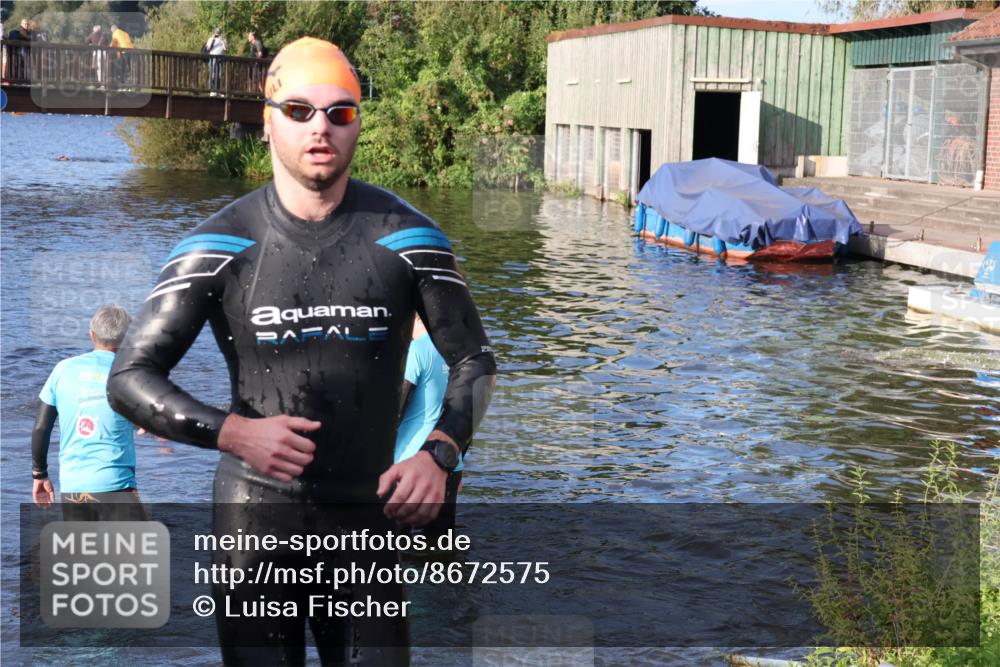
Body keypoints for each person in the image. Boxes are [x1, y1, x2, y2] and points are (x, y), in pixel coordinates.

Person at [107, 36, 495, 665]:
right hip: (255, 525)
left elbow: (474, 360)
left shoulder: (410, 237)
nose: (321, 127)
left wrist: (439, 453)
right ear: (268, 123)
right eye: (299, 111)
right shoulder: (217, 245)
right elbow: (129, 378)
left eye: (340, 112)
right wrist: (233, 433)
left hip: (368, 530)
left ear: (358, 124)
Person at [32, 305, 147, 521]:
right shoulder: (131, 374)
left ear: (91, 335)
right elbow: (148, 418)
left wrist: (39, 473)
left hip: (74, 489)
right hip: (116, 484)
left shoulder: (62, 369)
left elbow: (41, 427)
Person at [396, 315, 464, 537]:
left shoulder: (416, 350)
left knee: (390, 545)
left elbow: (396, 411)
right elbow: (465, 416)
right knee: (440, 544)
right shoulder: (459, 352)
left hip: (409, 460)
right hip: (449, 461)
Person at [205, 27, 227, 95]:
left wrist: (222, 40)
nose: (217, 34)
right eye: (216, 33)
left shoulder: (224, 40)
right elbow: (208, 48)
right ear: (214, 33)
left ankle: (217, 91)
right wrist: (213, 39)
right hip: (212, 59)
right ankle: (212, 90)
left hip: (220, 59)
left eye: (219, 33)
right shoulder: (211, 39)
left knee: (219, 75)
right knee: (212, 74)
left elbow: (225, 49)